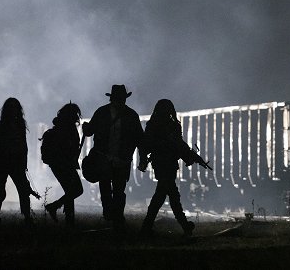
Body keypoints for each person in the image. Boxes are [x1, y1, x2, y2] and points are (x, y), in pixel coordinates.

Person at [138, 99, 207, 238]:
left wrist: (191, 157)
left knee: (162, 195)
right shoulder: (172, 125)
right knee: (171, 195)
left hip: (162, 164)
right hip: (166, 164)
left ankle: (148, 226)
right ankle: (184, 225)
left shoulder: (154, 125)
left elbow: (147, 144)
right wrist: (190, 157)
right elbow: (178, 145)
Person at [82, 84, 143, 237]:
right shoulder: (131, 115)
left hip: (116, 159)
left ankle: (114, 215)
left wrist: (86, 129)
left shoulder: (102, 112)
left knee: (115, 189)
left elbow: (90, 132)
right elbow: (140, 140)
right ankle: (115, 217)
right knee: (114, 189)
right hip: (110, 158)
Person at [0, 97, 40, 226]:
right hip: (3, 163)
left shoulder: (12, 126)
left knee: (20, 191)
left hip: (10, 163)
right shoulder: (10, 126)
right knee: (8, 191)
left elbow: (22, 147)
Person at [43, 102, 84, 226]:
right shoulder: (68, 128)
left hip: (58, 164)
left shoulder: (60, 126)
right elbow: (69, 148)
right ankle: (54, 207)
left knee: (70, 191)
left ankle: (69, 221)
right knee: (77, 190)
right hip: (64, 164)